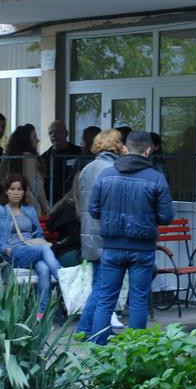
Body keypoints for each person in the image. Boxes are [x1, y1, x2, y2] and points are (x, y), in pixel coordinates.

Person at [88, 131, 173, 344]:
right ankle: (135, 350)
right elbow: (166, 217)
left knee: (105, 300)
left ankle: (98, 348)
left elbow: (94, 210)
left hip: (112, 246)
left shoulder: (106, 175)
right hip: (142, 248)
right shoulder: (156, 178)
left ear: (125, 149)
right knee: (138, 301)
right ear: (148, 150)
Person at [0, 174, 61, 318]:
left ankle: (40, 316)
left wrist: (40, 242)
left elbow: (39, 234)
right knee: (44, 250)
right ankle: (64, 279)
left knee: (44, 268)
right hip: (13, 252)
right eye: (12, 189)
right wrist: (5, 249)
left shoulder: (29, 210)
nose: (16, 192)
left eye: (20, 189)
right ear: (6, 191)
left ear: (24, 192)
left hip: (32, 251)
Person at [75, 129, 124, 337]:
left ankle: (100, 327)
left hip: (89, 234)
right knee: (104, 287)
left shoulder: (87, 169)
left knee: (99, 283)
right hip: (107, 234)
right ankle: (85, 328)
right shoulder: (113, 169)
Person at [0, 124, 49, 217]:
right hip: (29, 204)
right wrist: (45, 206)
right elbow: (34, 185)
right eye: (34, 137)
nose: (38, 140)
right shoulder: (28, 157)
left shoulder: (10, 159)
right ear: (26, 141)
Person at [39, 120, 81, 205]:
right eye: (51, 132)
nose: (54, 135)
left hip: (74, 201)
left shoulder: (79, 153)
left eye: (58, 131)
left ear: (66, 133)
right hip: (51, 202)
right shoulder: (44, 158)